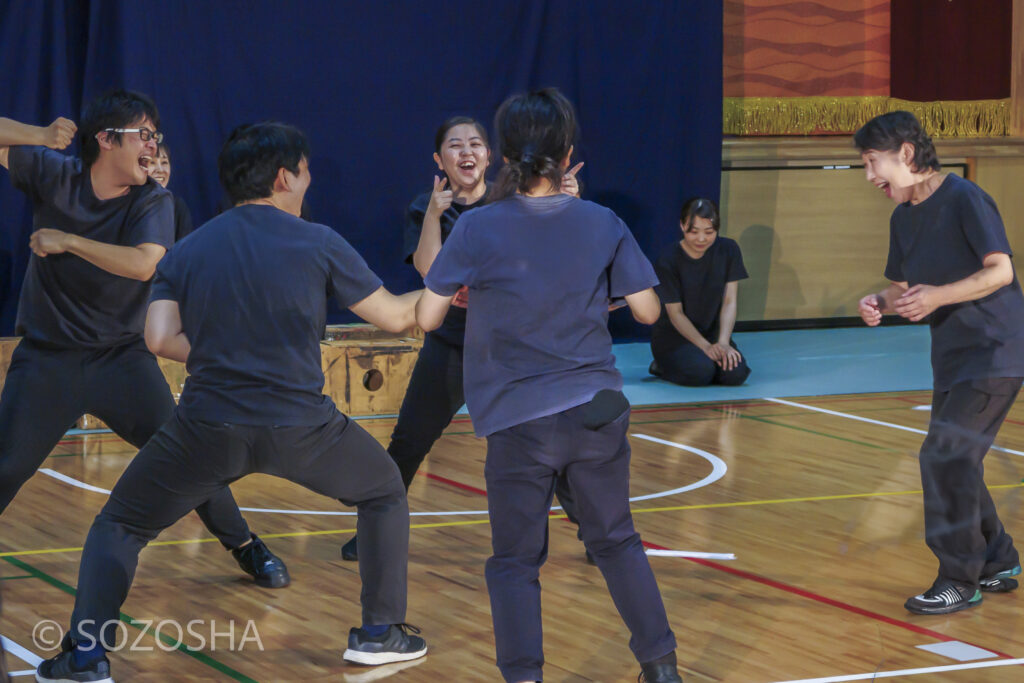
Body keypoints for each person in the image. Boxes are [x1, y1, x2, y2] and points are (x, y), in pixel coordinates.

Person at [35, 121, 428, 682]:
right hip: (303, 429)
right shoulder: (320, 242)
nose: (309, 181)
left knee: (119, 525)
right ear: (285, 176)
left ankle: (86, 656)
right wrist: (449, 291)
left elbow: (157, 338)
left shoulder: (189, 250)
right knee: (385, 491)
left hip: (206, 427)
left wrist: (224, 354)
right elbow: (395, 317)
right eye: (306, 170)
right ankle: (379, 632)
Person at [416, 88, 682, 683]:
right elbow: (646, 311)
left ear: (503, 154)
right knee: (617, 541)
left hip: (517, 419)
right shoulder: (602, 221)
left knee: (515, 562)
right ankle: (661, 669)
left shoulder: (478, 228)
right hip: (598, 406)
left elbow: (427, 317)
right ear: (567, 152)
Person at [0, 93, 287, 589]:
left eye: (157, 137)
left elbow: (144, 263)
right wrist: (41, 136)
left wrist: (67, 241)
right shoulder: (54, 174)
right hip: (47, 360)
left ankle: (244, 544)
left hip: (120, 360)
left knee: (186, 452)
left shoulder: (152, 200)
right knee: (6, 466)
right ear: (106, 140)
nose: (154, 148)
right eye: (145, 136)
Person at [341, 117, 584, 562]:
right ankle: (374, 531)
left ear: (490, 156)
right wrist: (434, 213)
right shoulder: (426, 207)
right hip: (452, 347)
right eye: (455, 146)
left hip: (513, 351)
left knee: (546, 443)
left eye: (475, 143)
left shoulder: (515, 201)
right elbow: (429, 272)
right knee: (409, 442)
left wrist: (565, 207)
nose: (466, 151)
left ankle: (594, 532)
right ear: (440, 160)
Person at [855, 110, 1024, 615]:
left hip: (997, 349)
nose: (869, 177)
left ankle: (958, 578)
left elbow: (1000, 271)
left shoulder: (965, 198)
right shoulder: (903, 217)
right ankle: (997, 559)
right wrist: (880, 303)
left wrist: (939, 297)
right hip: (951, 357)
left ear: (906, 153)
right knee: (957, 459)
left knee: (943, 457)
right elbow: (906, 288)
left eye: (872, 163)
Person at [649, 198, 750, 387]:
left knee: (735, 374)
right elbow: (675, 313)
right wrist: (705, 347)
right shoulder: (668, 259)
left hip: (712, 333)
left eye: (709, 232)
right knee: (700, 373)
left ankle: (710, 358)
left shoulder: (729, 250)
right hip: (675, 337)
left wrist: (723, 342)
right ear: (682, 225)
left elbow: (730, 301)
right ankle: (662, 365)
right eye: (694, 232)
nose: (701, 239)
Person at [145, 140, 194, 240]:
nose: (160, 169)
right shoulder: (130, 205)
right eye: (152, 162)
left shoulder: (177, 206)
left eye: (164, 162)